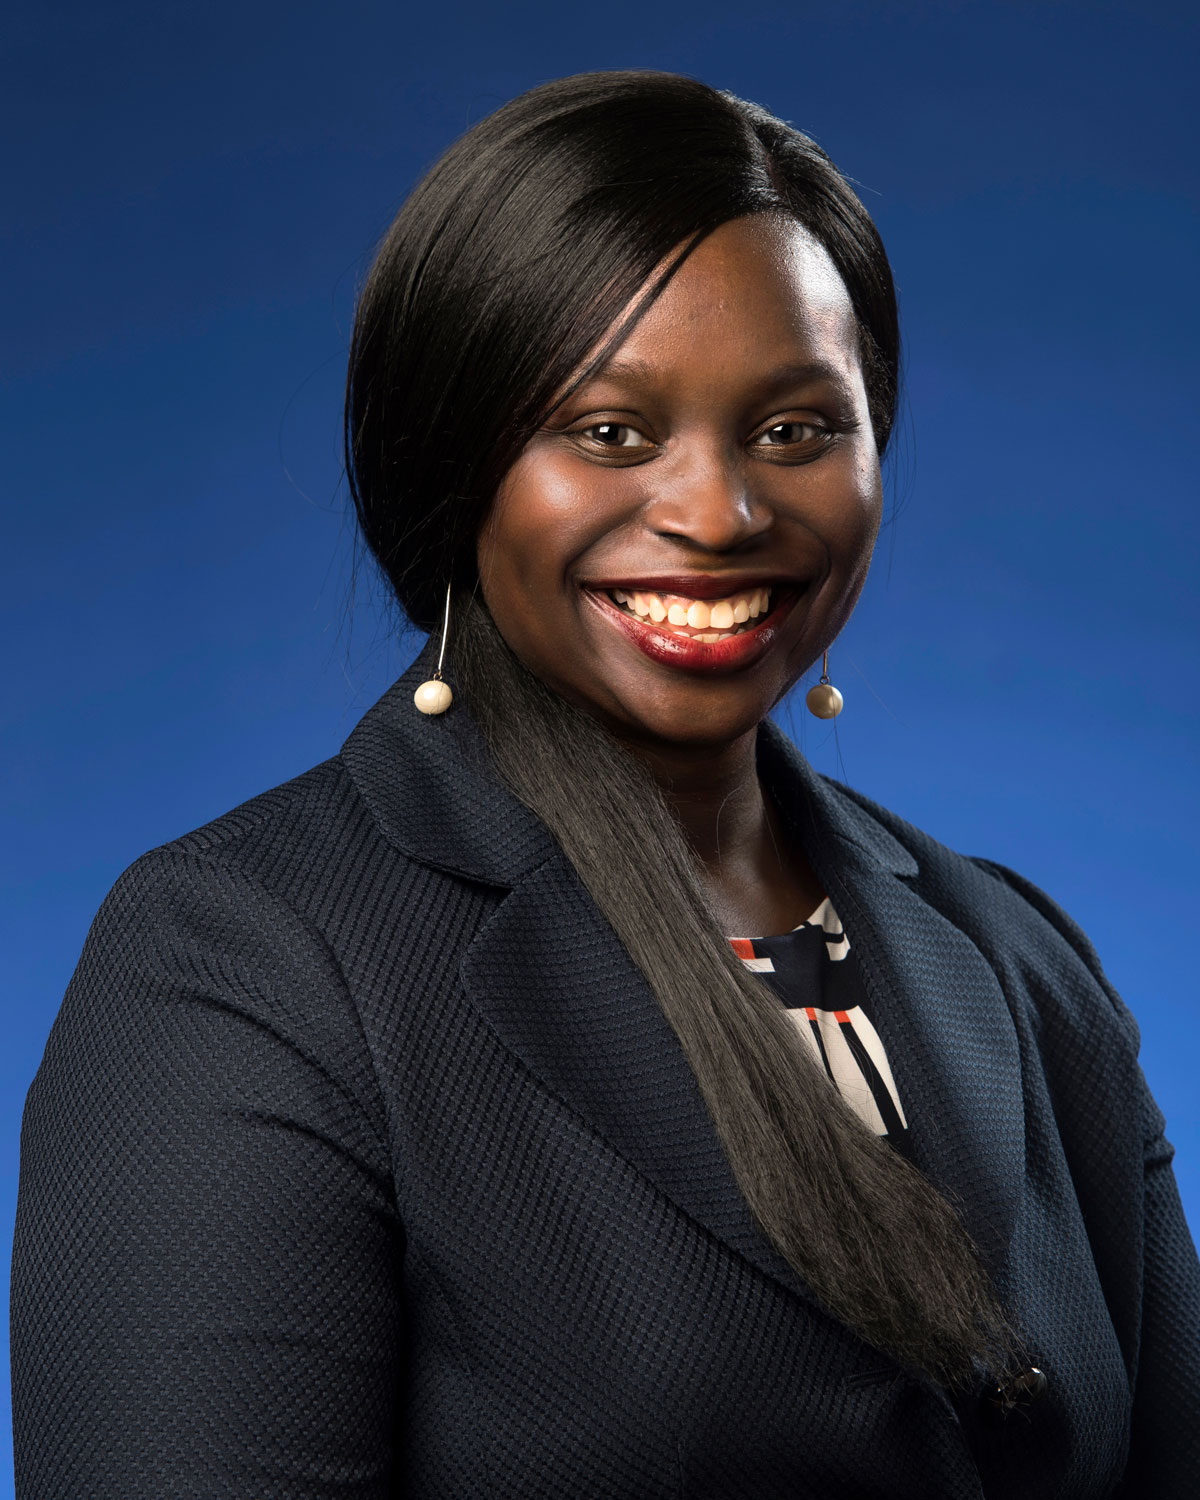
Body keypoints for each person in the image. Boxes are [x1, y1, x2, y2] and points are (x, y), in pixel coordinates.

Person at [10, 68, 1199, 1499]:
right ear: (459, 466)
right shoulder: (243, 964)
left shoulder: (1017, 958)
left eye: (796, 429)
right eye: (611, 434)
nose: (719, 513)